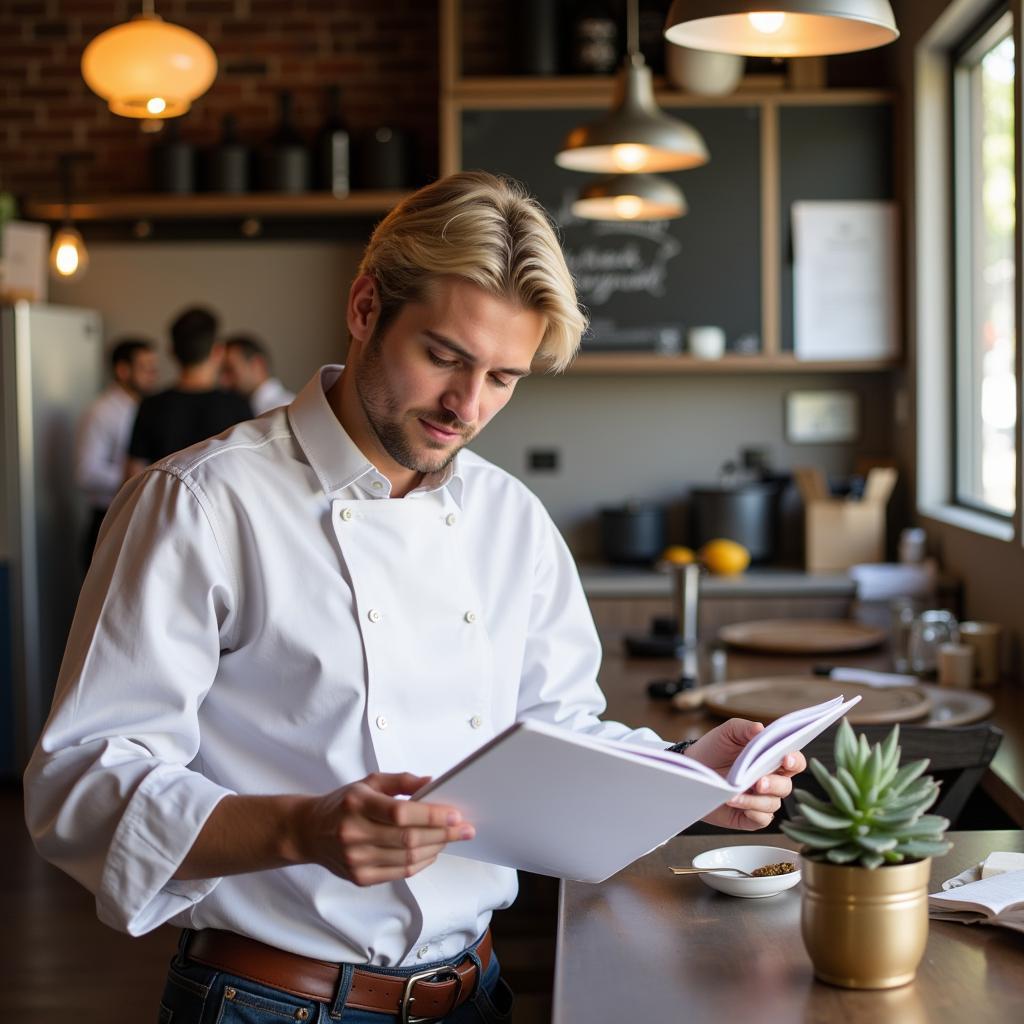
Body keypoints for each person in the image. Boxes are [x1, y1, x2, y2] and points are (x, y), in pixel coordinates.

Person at [24, 172, 804, 1024]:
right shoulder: (202, 502)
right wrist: (300, 830)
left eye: (504, 378)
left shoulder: (510, 517)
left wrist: (686, 775)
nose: (467, 407)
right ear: (365, 309)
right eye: (444, 357)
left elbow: (558, 734)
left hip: (475, 995)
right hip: (271, 1002)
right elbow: (80, 784)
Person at [126, 306, 252, 475]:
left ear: (171, 351)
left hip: (163, 500)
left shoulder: (151, 406)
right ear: (218, 351)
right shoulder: (238, 406)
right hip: (219, 501)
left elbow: (133, 475)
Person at [73, 336, 159, 565]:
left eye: (153, 368)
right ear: (123, 370)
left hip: (141, 519)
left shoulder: (151, 409)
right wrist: (137, 477)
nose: (153, 375)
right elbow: (86, 473)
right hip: (108, 519)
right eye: (145, 368)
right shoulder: (100, 412)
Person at [220, 332, 296, 414]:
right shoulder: (238, 409)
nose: (223, 381)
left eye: (230, 370)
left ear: (257, 365)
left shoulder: (287, 411)